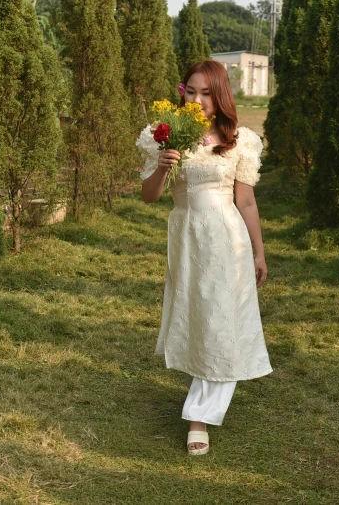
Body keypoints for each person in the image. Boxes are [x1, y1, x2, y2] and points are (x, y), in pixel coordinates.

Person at [138, 61, 272, 455]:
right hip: (186, 236)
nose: (197, 100)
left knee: (221, 318)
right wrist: (163, 168)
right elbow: (149, 196)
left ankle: (199, 418)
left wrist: (259, 252)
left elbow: (245, 200)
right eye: (191, 91)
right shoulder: (163, 134)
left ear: (219, 95)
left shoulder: (239, 140)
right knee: (199, 317)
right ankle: (204, 395)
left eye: (206, 93)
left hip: (227, 238)